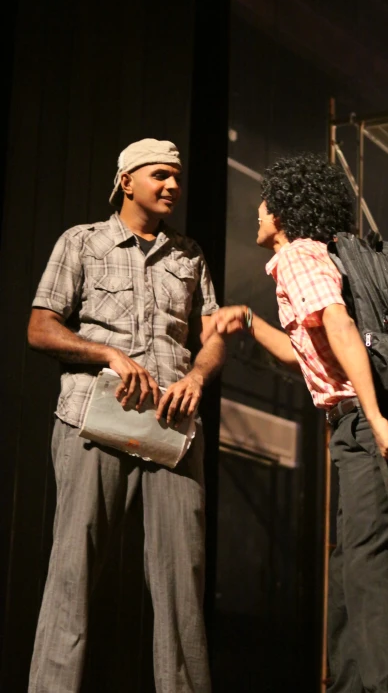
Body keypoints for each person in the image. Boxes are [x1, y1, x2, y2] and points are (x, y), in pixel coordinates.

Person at [206, 153, 388, 693]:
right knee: (349, 564)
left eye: (264, 203)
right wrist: (250, 321)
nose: (257, 212)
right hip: (357, 423)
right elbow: (307, 350)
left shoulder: (298, 258)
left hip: (366, 421)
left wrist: (373, 419)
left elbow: (340, 325)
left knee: (369, 566)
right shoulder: (312, 258)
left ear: (282, 211)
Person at [27, 138, 225, 693]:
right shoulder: (83, 242)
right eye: (161, 175)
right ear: (127, 180)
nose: (173, 187)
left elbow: (210, 338)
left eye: (178, 178)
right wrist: (109, 354)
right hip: (93, 419)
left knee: (182, 585)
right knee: (72, 573)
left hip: (172, 427)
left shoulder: (190, 255)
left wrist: (197, 376)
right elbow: (40, 328)